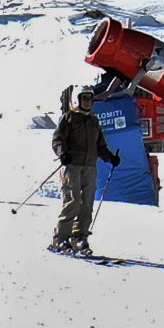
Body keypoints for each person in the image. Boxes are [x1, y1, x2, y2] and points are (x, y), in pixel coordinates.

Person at [48, 85, 119, 254]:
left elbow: (100, 144)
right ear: (76, 99)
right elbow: (58, 140)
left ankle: (80, 237)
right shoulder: (69, 118)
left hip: (89, 167)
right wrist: (62, 153)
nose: (88, 102)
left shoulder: (93, 120)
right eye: (84, 98)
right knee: (72, 202)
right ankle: (61, 238)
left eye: (90, 98)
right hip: (72, 165)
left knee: (87, 204)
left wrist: (110, 157)